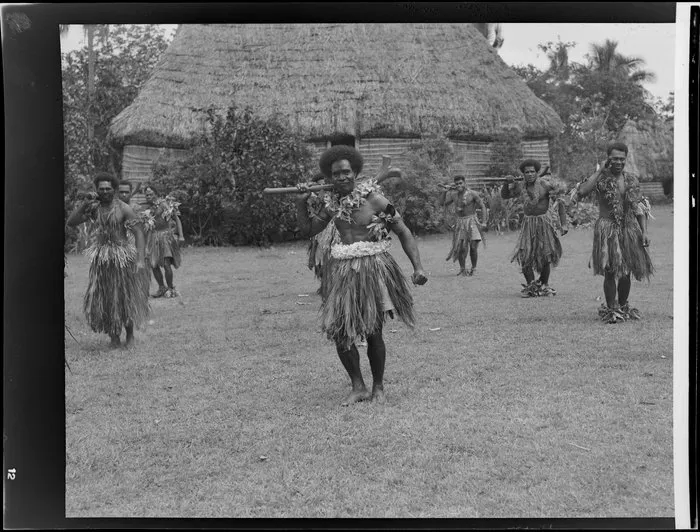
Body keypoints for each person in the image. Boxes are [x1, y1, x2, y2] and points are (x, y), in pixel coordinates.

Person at [295, 146, 428, 406]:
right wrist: (300, 204)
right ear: (330, 177)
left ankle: (378, 387)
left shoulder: (375, 199)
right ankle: (358, 386)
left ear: (355, 172)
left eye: (346, 172)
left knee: (373, 330)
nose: (342, 177)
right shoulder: (330, 203)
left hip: (373, 268)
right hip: (342, 270)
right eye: (336, 174)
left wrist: (418, 267)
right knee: (339, 330)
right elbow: (308, 229)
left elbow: (402, 231)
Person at [66, 171, 150, 348]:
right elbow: (71, 222)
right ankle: (113, 337)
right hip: (102, 258)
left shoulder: (123, 209)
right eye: (101, 189)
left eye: (108, 189)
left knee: (123, 296)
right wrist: (84, 204)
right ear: (96, 189)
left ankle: (129, 336)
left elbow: (139, 233)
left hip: (121, 258)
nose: (105, 192)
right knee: (106, 298)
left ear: (114, 189)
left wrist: (140, 260)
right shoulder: (94, 208)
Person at [573, 142, 653, 323]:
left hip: (629, 229)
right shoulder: (600, 179)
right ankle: (611, 309)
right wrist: (600, 170)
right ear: (608, 158)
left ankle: (623, 306)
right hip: (607, 229)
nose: (618, 162)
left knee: (626, 271)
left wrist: (644, 231)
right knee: (610, 270)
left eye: (622, 159)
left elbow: (639, 208)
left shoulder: (631, 180)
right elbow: (582, 192)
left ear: (626, 159)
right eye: (614, 158)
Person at [501, 159, 569, 297]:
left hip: (543, 223)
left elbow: (560, 202)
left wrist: (564, 223)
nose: (530, 174)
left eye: (532, 171)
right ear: (523, 174)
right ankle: (532, 286)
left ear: (537, 173)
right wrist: (506, 184)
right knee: (525, 255)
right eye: (527, 172)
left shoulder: (546, 185)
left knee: (545, 255)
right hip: (528, 224)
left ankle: (544, 285)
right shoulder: (521, 186)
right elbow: (505, 195)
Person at [438, 175, 488, 276]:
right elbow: (442, 203)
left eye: (460, 183)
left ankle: (474, 268)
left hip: (472, 221)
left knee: (473, 247)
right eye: (456, 184)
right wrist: (444, 191)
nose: (459, 185)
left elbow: (482, 206)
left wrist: (484, 222)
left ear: (464, 183)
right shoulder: (453, 195)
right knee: (461, 248)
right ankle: (462, 269)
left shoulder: (472, 194)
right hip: (460, 223)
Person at [143, 184, 185, 298]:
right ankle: (162, 287)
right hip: (153, 238)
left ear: (156, 194)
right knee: (153, 264)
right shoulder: (148, 210)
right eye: (147, 195)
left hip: (166, 237)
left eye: (151, 194)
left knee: (166, 264)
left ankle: (171, 288)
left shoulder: (164, 204)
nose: (149, 197)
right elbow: (147, 228)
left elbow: (176, 219)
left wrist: (181, 235)